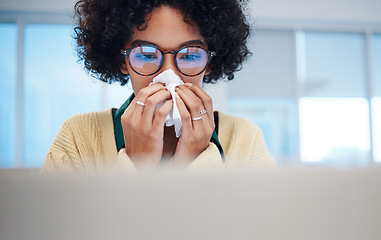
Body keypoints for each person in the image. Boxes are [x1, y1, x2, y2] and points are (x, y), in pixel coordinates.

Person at [41, 0, 276, 173]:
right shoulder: (77, 138)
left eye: (190, 55)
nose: (168, 75)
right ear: (122, 61)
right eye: (146, 54)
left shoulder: (245, 140)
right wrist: (137, 165)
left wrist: (195, 161)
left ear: (210, 64)